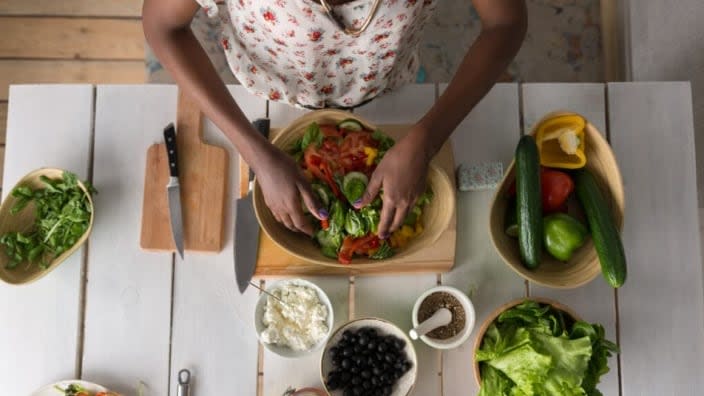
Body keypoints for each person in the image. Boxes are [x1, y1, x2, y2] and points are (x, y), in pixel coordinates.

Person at [143, 0, 526, 239]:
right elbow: (163, 26)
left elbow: (506, 24)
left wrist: (426, 139)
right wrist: (256, 154)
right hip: (268, 94)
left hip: (388, 86)